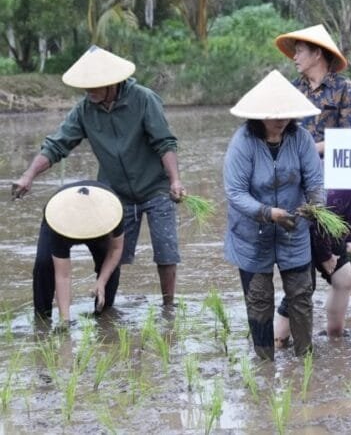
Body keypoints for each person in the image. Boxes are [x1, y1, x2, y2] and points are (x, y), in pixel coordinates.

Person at [12, 46, 185, 317]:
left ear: (111, 83)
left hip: (156, 187)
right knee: (113, 255)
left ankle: (168, 308)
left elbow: (165, 142)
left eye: (94, 87)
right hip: (114, 192)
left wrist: (175, 180)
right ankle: (106, 308)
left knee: (166, 251)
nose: (89, 93)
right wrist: (28, 176)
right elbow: (57, 145)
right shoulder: (84, 110)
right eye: (85, 88)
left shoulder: (143, 100)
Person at [223, 70, 325, 361]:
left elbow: (315, 182)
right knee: (259, 300)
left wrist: (316, 204)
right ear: (258, 116)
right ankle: (264, 360)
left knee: (301, 296)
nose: (280, 121)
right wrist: (267, 213)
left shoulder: (301, 139)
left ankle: (305, 358)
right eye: (273, 115)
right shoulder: (243, 142)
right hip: (252, 234)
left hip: (294, 227)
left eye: (285, 115)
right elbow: (236, 192)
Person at [274, 24, 351, 340]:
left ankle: (334, 337)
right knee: (306, 273)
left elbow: (349, 140)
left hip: (333, 186)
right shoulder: (289, 90)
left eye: (299, 51)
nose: (295, 57)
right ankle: (280, 340)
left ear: (317, 53)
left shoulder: (347, 91)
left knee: (338, 268)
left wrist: (309, 150)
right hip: (292, 184)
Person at [37, 181, 124, 325]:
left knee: (110, 270)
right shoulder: (58, 219)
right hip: (62, 220)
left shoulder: (113, 209)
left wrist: (101, 282)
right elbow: (63, 275)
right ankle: (42, 320)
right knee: (44, 263)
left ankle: (104, 319)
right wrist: (65, 320)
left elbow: (116, 249)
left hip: (100, 224)